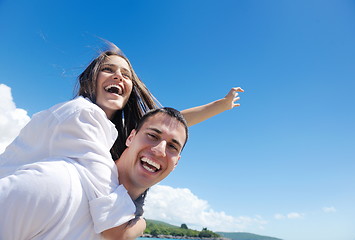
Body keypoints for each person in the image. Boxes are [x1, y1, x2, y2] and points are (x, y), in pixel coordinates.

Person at [0, 41, 243, 237]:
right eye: (108, 70)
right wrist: (140, 223)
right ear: (90, 80)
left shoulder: (113, 131)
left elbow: (172, 123)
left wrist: (221, 105)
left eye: (126, 74)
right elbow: (115, 228)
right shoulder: (80, 115)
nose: (118, 77)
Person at [0, 107, 188, 240]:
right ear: (130, 137)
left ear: (177, 162)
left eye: (172, 146)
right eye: (153, 136)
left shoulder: (127, 220)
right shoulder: (57, 183)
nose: (160, 150)